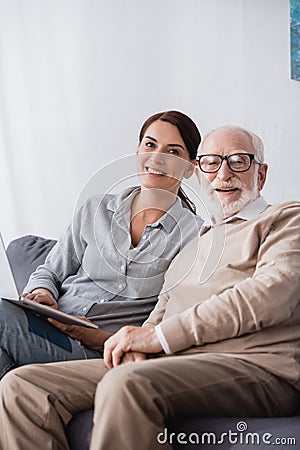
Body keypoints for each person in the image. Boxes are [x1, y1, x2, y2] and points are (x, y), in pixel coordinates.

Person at [1, 124, 299, 450]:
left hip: (255, 365)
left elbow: (270, 294)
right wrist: (139, 344)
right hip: (174, 364)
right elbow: (160, 312)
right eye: (211, 163)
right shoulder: (198, 244)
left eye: (239, 161)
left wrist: (156, 339)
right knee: (22, 386)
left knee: (125, 384)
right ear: (200, 174)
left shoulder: (285, 219)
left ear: (261, 173)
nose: (223, 173)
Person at [0, 110, 203, 379]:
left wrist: (94, 336)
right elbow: (49, 271)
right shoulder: (95, 209)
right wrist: (42, 293)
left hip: (100, 352)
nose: (157, 158)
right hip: (46, 328)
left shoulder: (196, 236)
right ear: (138, 151)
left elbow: (168, 325)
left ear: (190, 167)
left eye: (173, 152)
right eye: (150, 145)